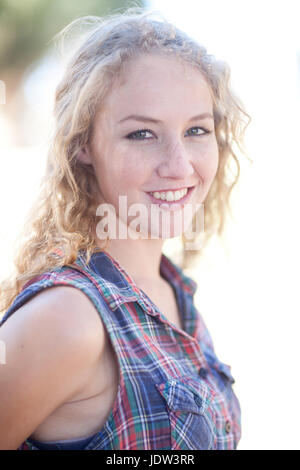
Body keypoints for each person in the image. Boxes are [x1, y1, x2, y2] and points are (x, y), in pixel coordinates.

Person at [0, 7, 250, 450]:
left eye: (196, 129)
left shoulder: (174, 295)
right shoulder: (68, 319)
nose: (179, 166)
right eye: (142, 134)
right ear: (83, 145)